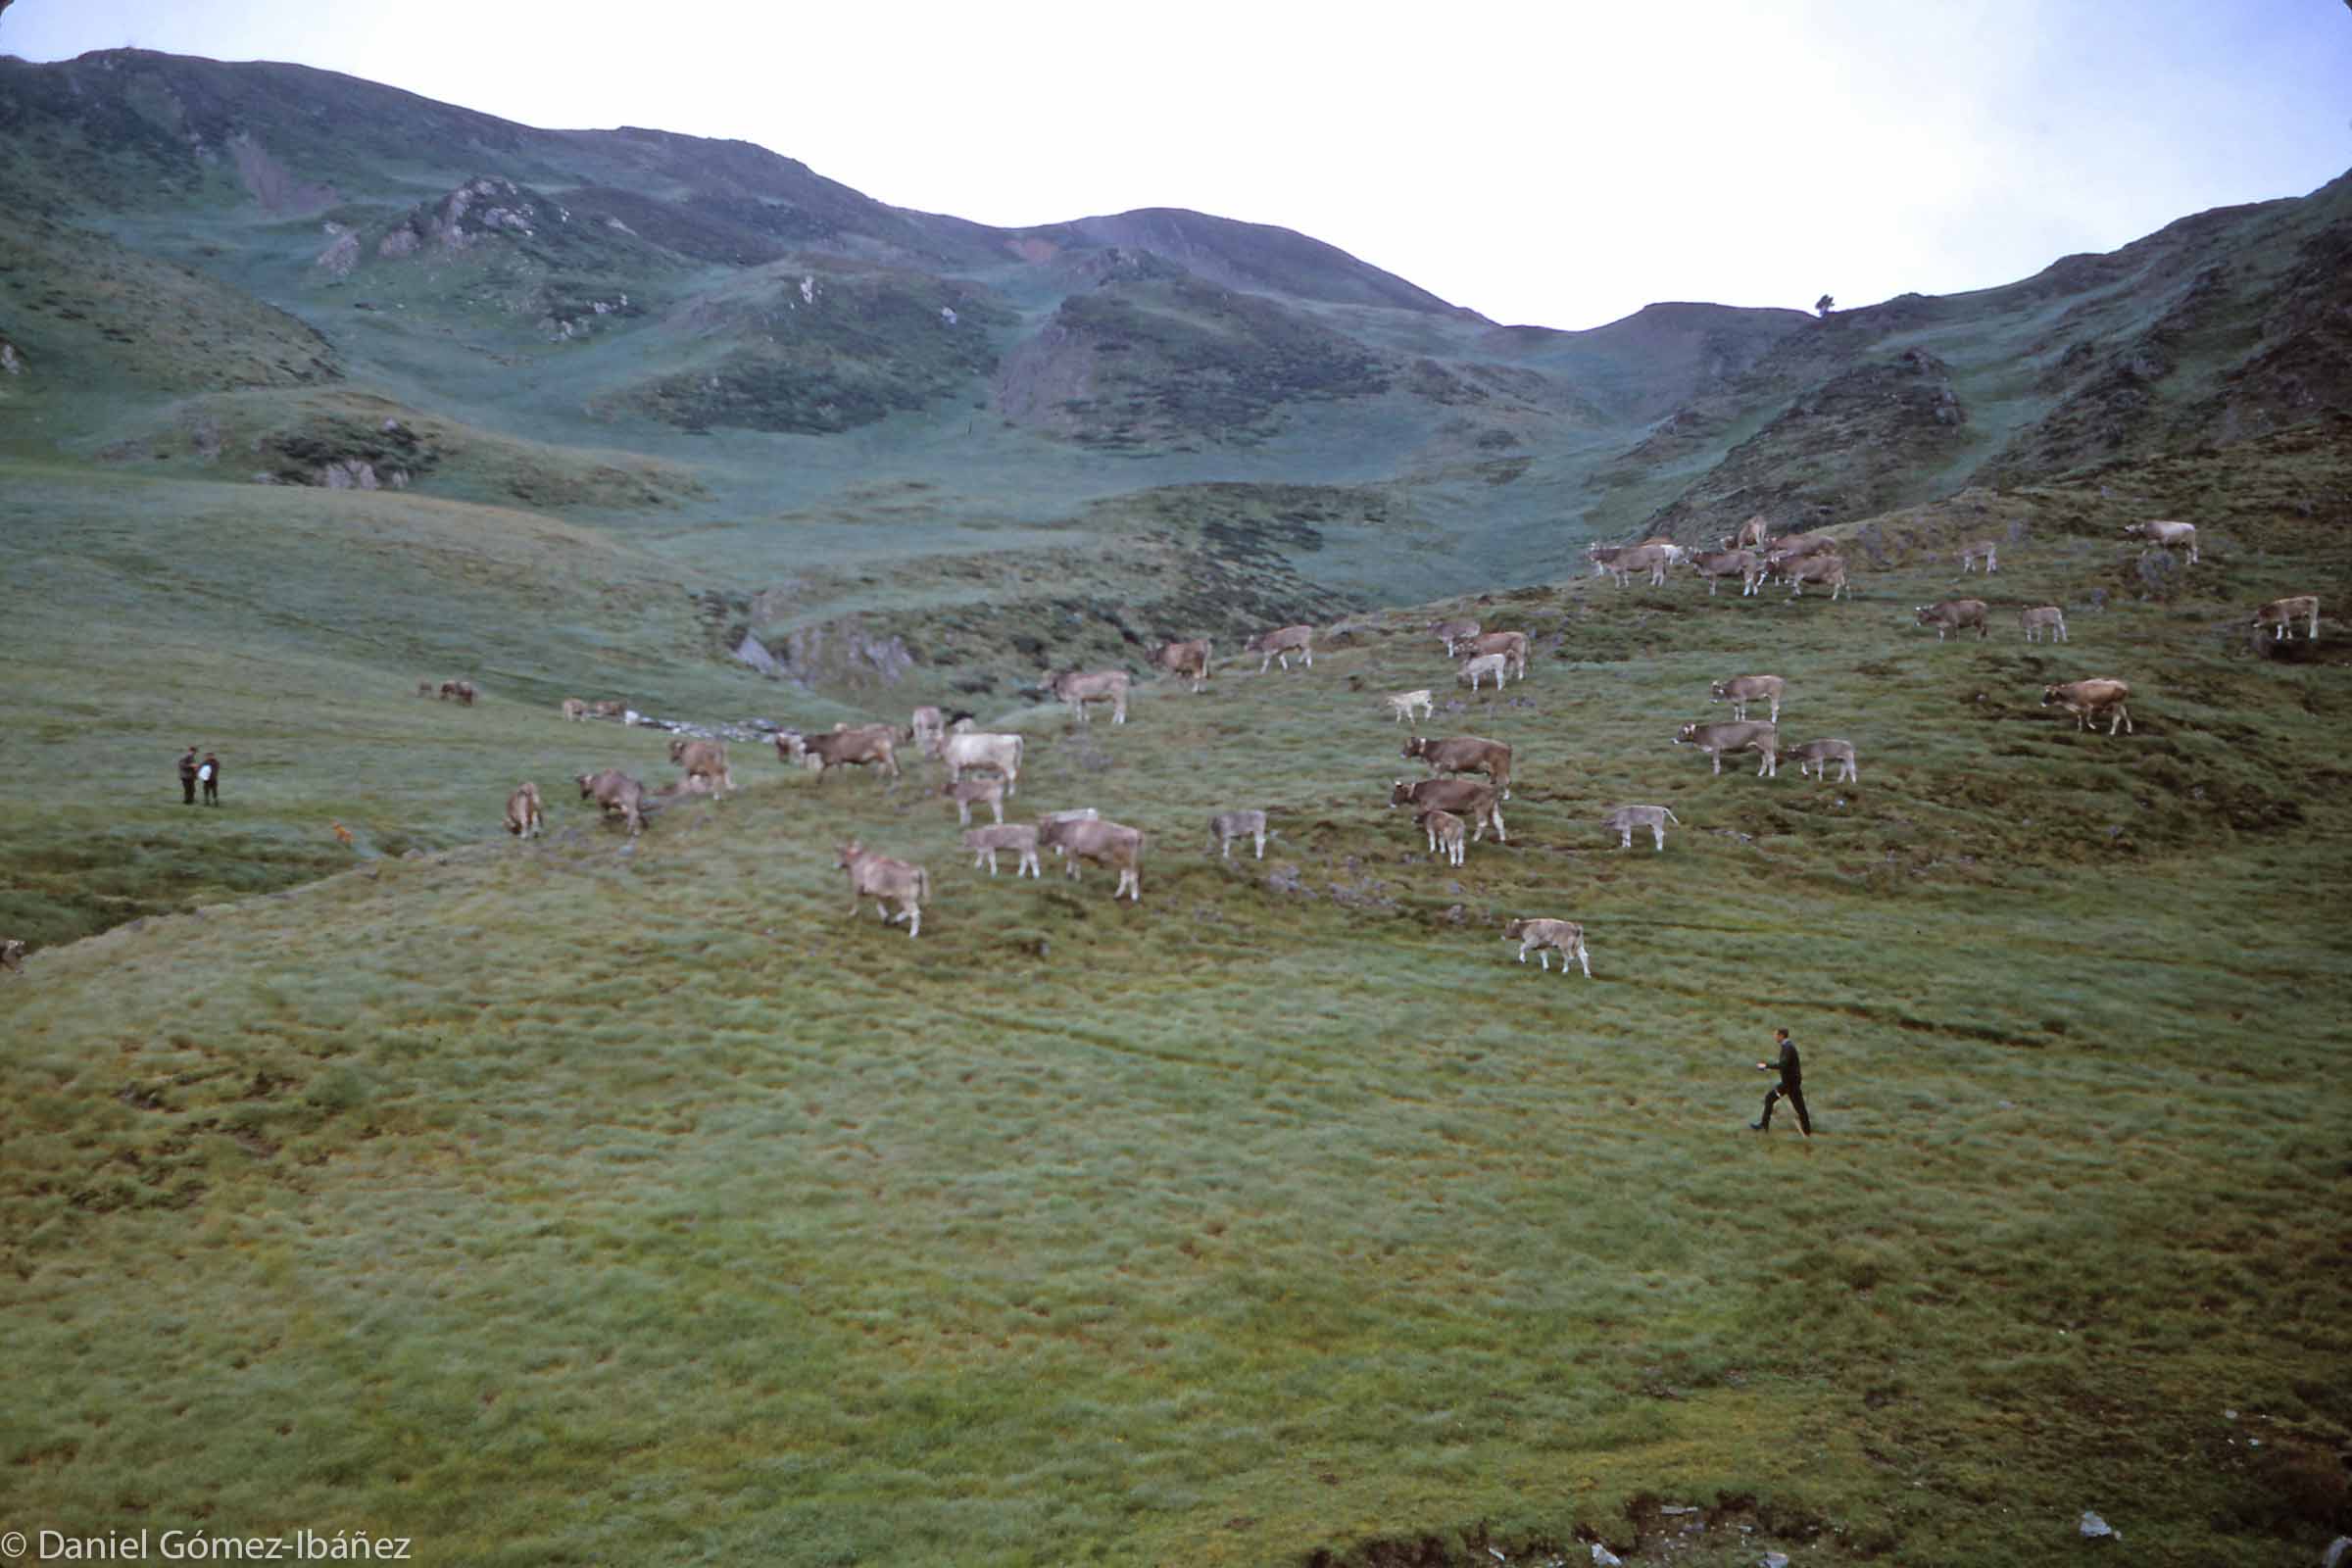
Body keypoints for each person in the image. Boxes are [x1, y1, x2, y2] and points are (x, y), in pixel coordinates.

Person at [1752, 1027, 1811, 1136]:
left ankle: (1807, 1131)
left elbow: (1783, 1065)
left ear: (1781, 1036)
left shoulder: (1788, 1048)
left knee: (1799, 1107)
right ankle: (1764, 1125)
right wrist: (1767, 1067)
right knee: (1769, 1098)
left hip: (1792, 1084)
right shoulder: (1786, 1046)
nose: (1774, 1037)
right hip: (1786, 1083)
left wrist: (1766, 1066)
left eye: (1776, 1035)